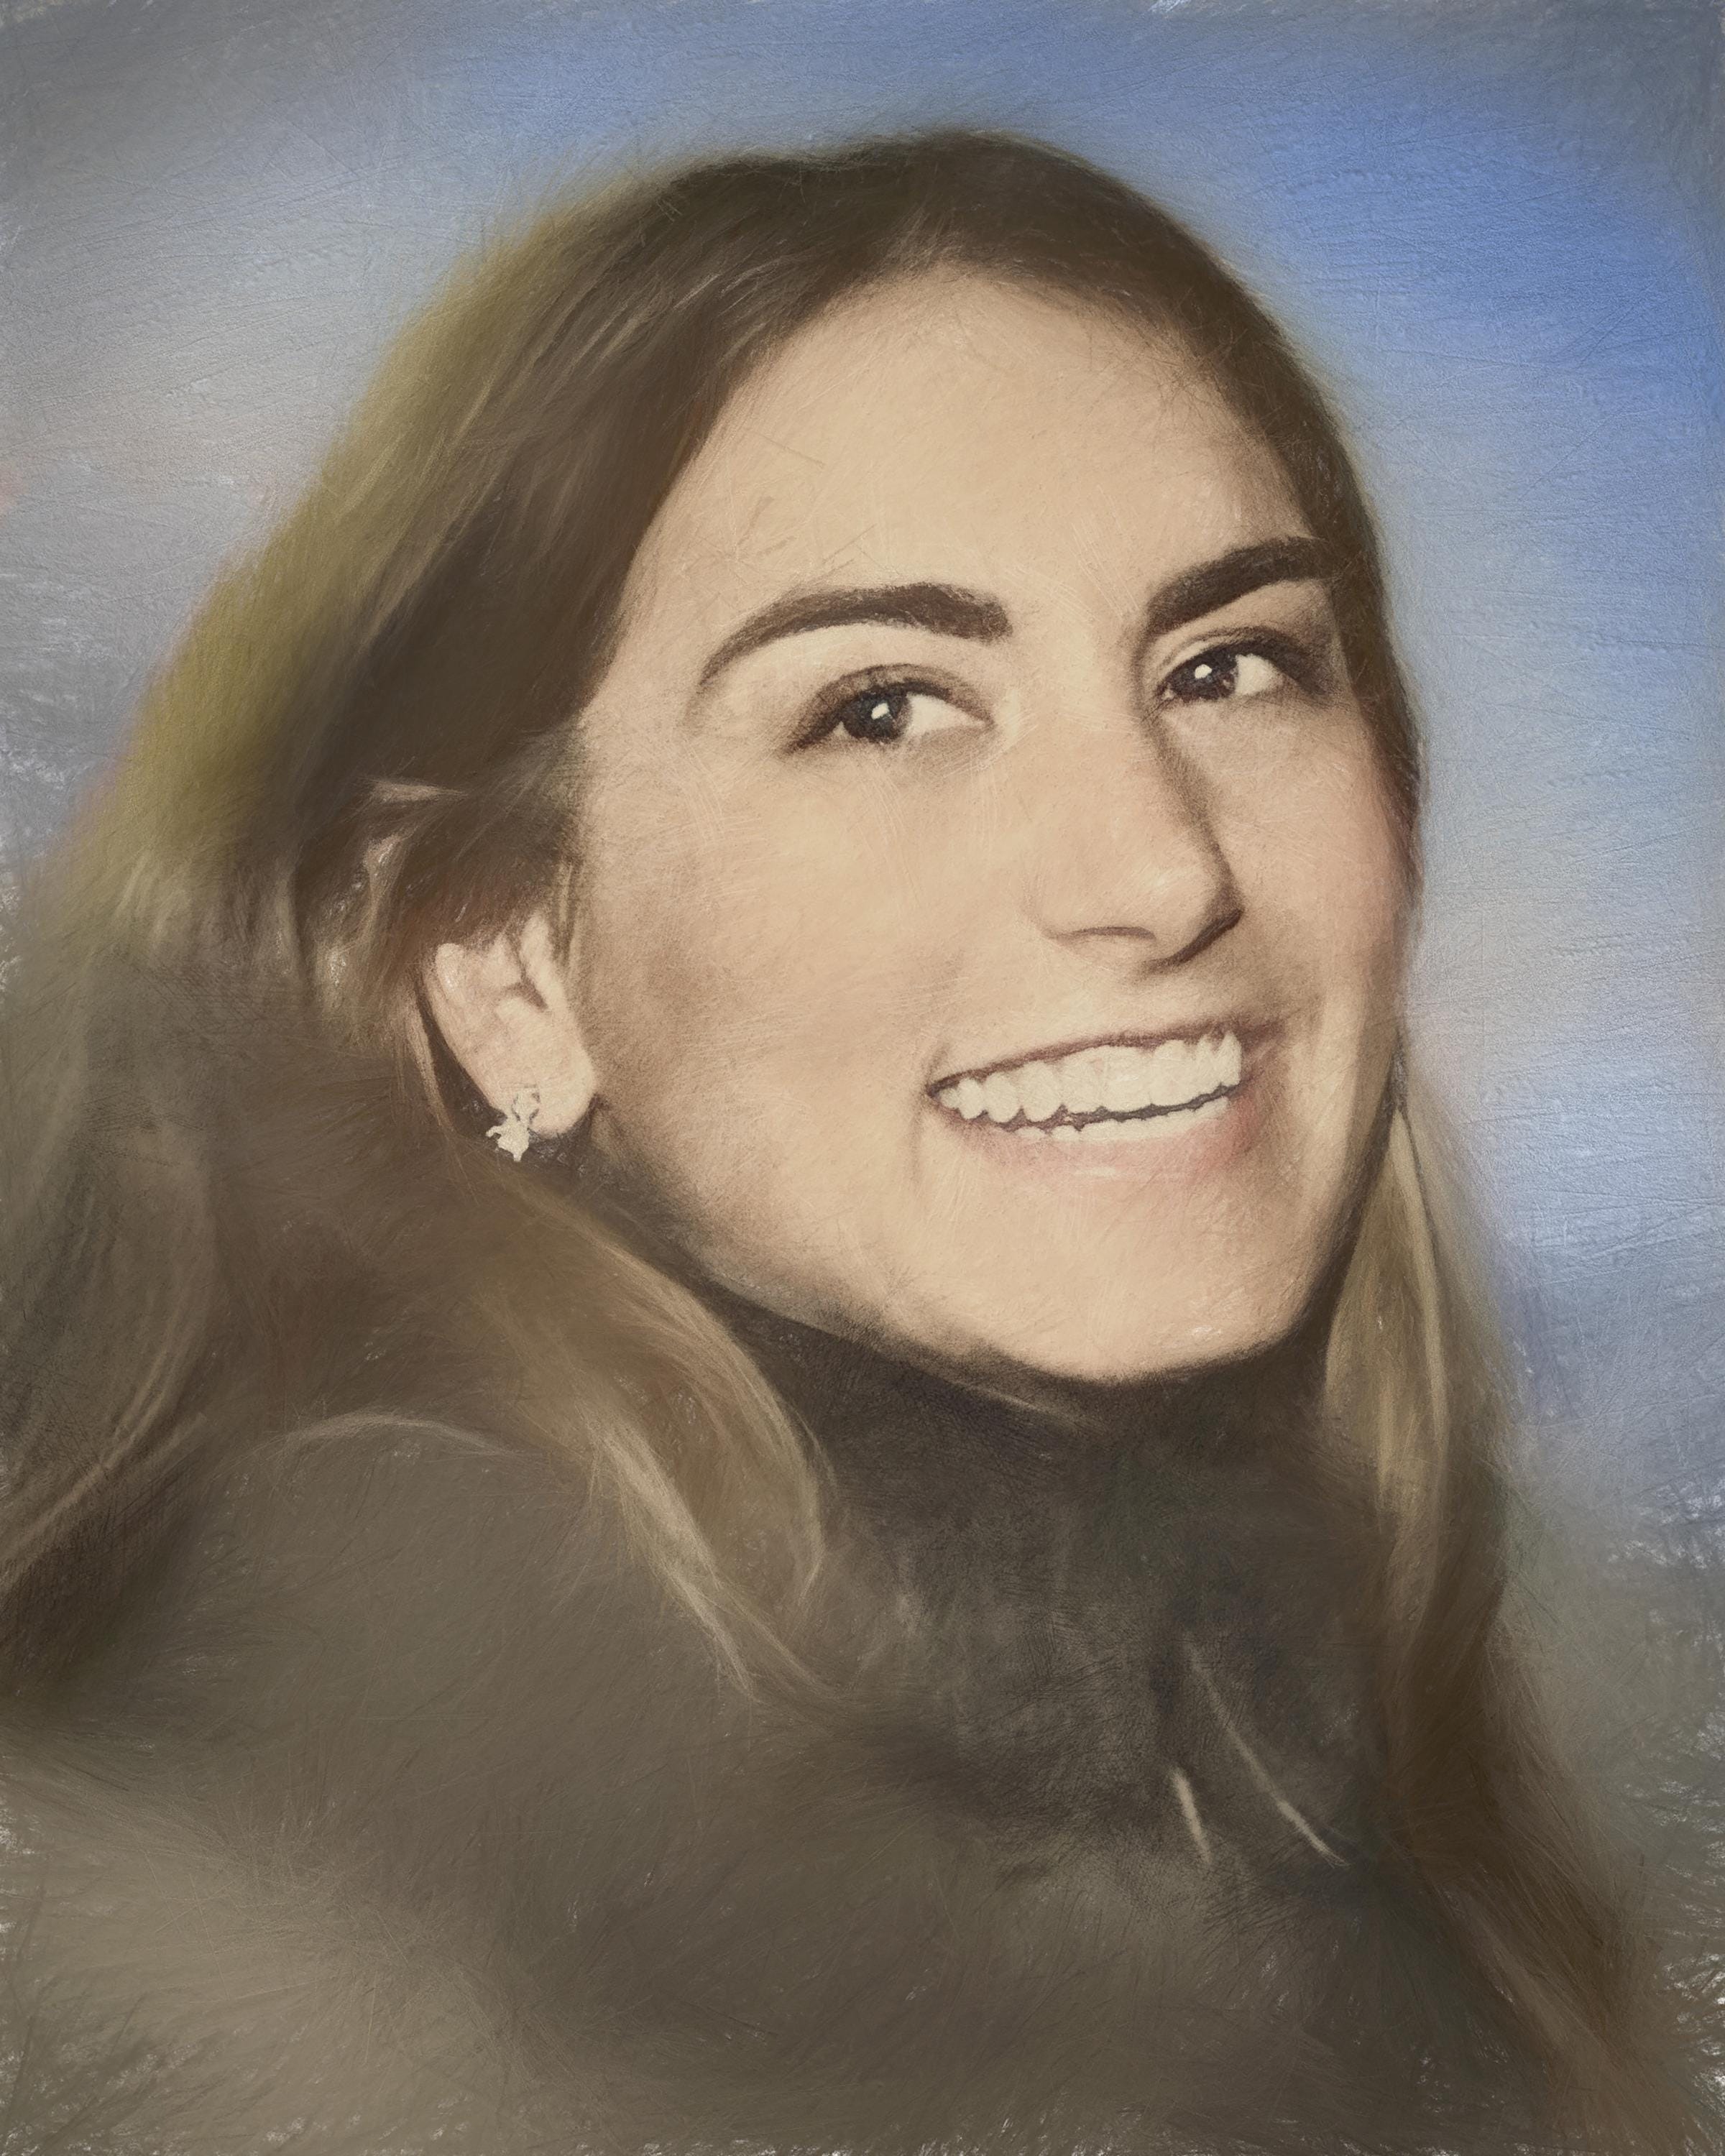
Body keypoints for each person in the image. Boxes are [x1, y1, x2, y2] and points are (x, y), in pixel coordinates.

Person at [0, 128, 1716, 2155]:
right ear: (503, 965)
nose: (1160, 870)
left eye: (1230, 664)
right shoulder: (284, 1944)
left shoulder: (1421, 1773)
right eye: (883, 709)